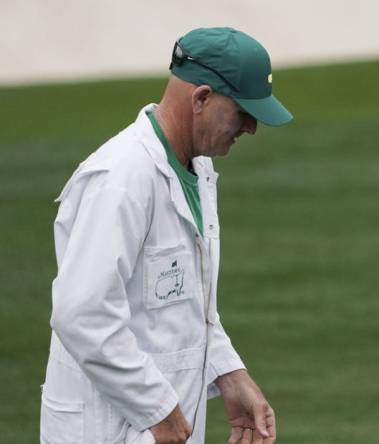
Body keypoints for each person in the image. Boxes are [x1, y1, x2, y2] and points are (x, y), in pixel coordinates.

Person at [40, 27, 292, 444]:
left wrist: (229, 373)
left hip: (161, 427)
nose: (251, 128)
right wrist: (159, 410)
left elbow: (183, 299)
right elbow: (82, 314)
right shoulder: (120, 179)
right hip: (110, 430)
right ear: (201, 98)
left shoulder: (198, 167)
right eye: (244, 112)